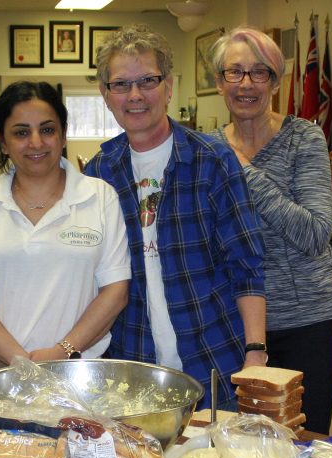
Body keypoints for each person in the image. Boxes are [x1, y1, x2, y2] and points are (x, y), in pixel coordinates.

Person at [84, 24, 267, 410]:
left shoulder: (213, 161)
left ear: (168, 86)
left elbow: (247, 266)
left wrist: (255, 353)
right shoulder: (99, 173)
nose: (135, 95)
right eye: (121, 85)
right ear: (105, 95)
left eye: (147, 80)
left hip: (214, 357)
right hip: (132, 364)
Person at [209, 26, 332, 433]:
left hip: (307, 320)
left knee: (303, 436)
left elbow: (315, 233)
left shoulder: (304, 138)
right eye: (235, 72)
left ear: (275, 81)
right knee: (239, 441)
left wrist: (244, 171)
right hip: (236, 323)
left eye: (259, 72)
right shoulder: (209, 149)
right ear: (219, 82)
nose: (246, 84)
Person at [0, 81, 130, 378]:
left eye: (47, 129)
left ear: (63, 133)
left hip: (79, 368)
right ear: (2, 141)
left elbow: (115, 291)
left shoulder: (100, 197)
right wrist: (21, 360)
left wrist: (61, 352)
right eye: (21, 132)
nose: (36, 142)